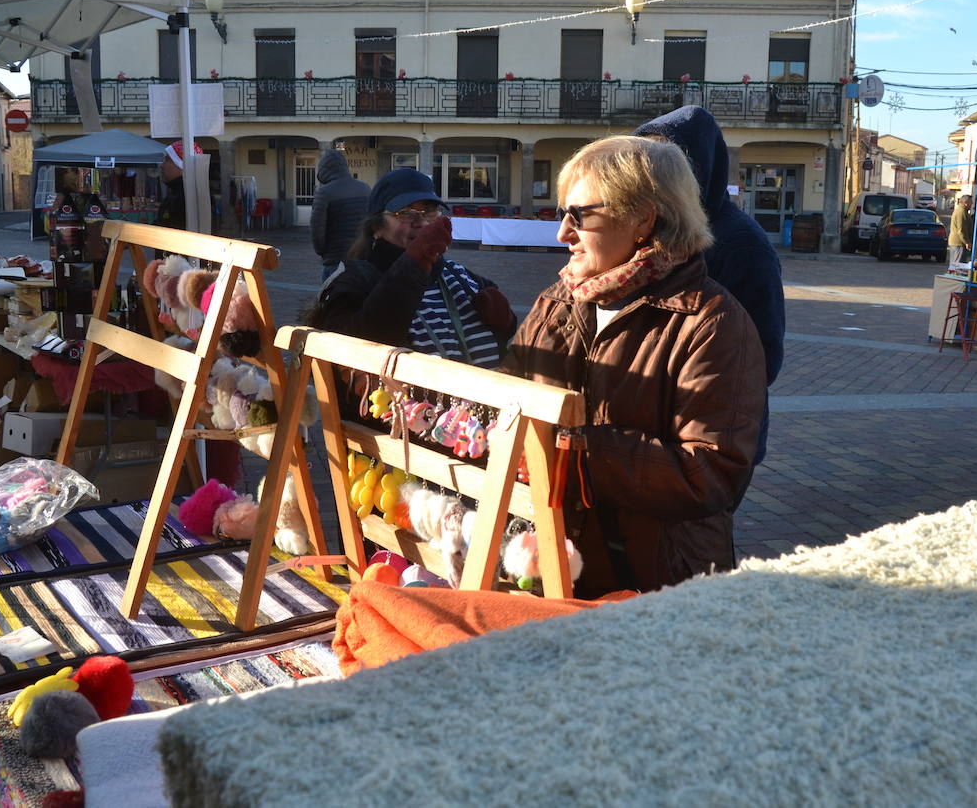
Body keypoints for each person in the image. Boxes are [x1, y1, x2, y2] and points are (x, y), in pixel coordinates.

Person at [502, 136, 767, 596]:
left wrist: (577, 449)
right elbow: (507, 394)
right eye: (561, 213)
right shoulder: (558, 301)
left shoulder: (713, 323)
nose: (562, 234)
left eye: (579, 216)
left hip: (655, 584)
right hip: (551, 565)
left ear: (643, 218)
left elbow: (710, 473)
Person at [634, 106, 783, 466]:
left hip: (714, 440)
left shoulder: (744, 245)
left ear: (697, 169)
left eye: (665, 164)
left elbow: (764, 356)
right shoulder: (655, 228)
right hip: (655, 432)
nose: (651, 177)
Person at [306, 168, 516, 367]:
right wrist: (414, 262)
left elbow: (501, 341)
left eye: (430, 211)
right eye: (405, 212)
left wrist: (506, 323)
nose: (422, 222)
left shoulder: (457, 274)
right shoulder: (354, 280)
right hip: (407, 405)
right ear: (377, 228)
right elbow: (350, 351)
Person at [310, 149, 371, 282]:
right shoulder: (365, 188)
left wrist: (322, 252)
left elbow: (317, 229)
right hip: (361, 257)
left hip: (334, 258)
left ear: (324, 170)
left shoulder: (324, 193)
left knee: (331, 299)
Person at [156, 139, 203, 231]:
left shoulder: (187, 198)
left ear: (182, 167)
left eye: (167, 160)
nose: (162, 165)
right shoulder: (176, 193)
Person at [948, 194, 974, 265]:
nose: (972, 204)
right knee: (958, 265)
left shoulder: (963, 211)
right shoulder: (961, 212)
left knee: (956, 265)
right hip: (958, 243)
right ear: (965, 203)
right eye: (970, 202)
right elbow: (961, 230)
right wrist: (966, 242)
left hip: (958, 243)